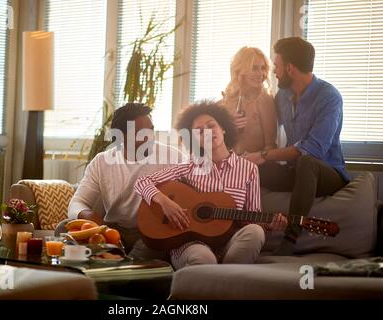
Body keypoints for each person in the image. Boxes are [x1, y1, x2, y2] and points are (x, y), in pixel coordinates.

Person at [134, 100, 286, 270]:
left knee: (255, 232)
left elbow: (252, 217)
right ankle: (225, 280)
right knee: (204, 258)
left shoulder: (248, 169)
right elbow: (142, 182)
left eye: (211, 126)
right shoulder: (188, 167)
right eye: (199, 131)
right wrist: (165, 202)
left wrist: (268, 225)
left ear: (223, 129)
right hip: (191, 243)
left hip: (230, 244)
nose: (207, 132)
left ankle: (220, 279)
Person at [244, 37, 350, 256]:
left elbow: (312, 150)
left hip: (327, 173)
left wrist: (266, 154)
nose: (273, 71)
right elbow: (265, 125)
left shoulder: (329, 97)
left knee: (306, 162)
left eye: (276, 66)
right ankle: (242, 228)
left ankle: (290, 238)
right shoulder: (283, 96)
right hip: (296, 171)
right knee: (254, 170)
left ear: (290, 68)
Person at [67, 102, 186, 260]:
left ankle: (119, 266)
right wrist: (89, 217)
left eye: (150, 129)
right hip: (111, 229)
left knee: (142, 254)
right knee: (64, 228)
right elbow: (77, 203)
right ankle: (110, 261)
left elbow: (190, 196)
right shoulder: (102, 161)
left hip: (151, 233)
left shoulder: (172, 156)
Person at [220, 46, 277, 155]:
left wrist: (254, 158)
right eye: (254, 68)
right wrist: (227, 127)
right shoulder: (226, 101)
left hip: (256, 166)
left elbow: (271, 146)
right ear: (240, 70)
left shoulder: (264, 99)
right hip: (229, 166)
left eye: (263, 68)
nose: (261, 73)